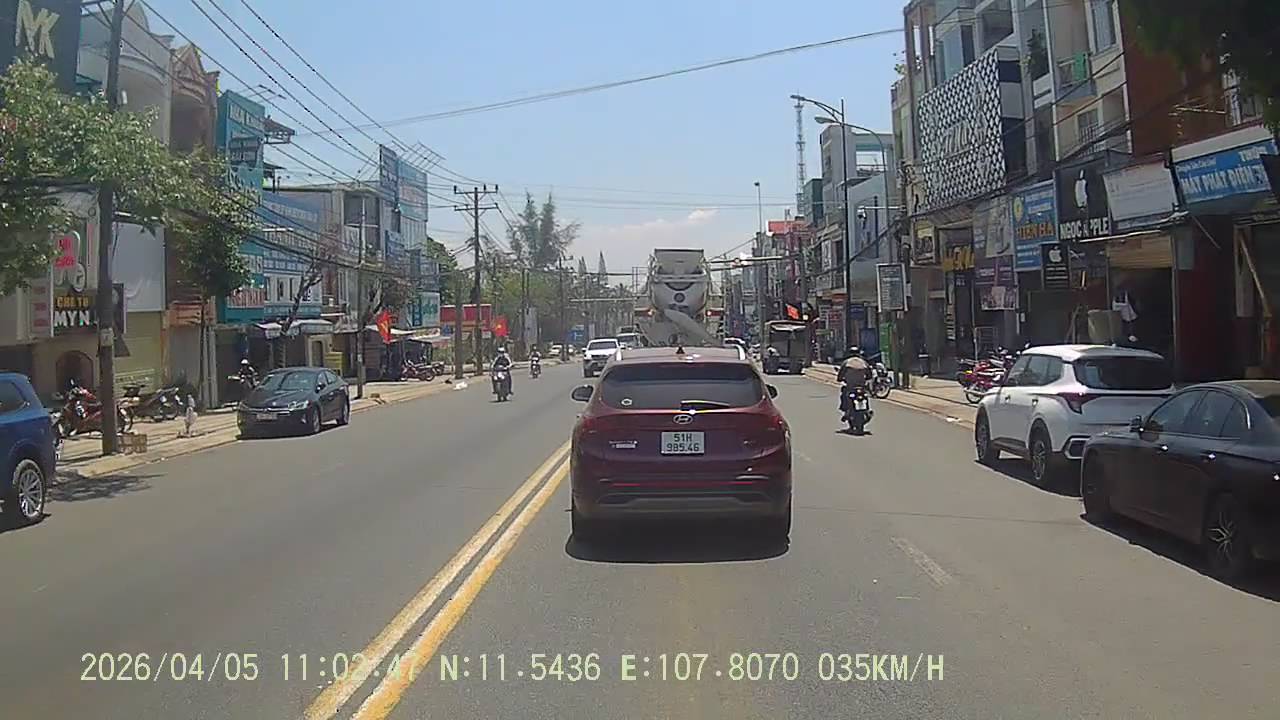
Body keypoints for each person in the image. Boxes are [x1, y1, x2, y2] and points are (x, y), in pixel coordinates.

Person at [837, 346, 871, 416]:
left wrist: (840, 379)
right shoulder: (863, 362)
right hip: (861, 386)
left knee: (844, 394)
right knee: (866, 394)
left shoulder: (846, 362)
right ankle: (868, 409)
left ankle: (845, 409)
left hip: (850, 386)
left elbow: (841, 373)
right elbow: (869, 374)